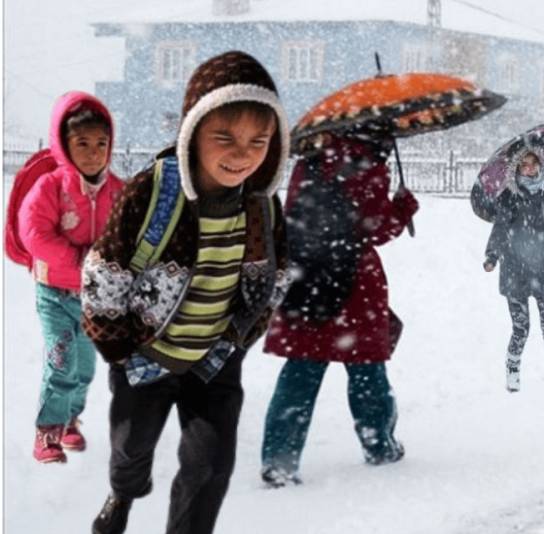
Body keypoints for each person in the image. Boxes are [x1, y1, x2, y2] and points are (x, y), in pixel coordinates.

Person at [81, 51, 291, 534]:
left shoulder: (262, 208)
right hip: (145, 356)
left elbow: (271, 280)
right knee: (131, 451)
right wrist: (120, 350)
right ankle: (122, 495)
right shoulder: (151, 194)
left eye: (259, 141)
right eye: (225, 138)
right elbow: (104, 275)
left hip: (214, 362)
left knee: (211, 467)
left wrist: (237, 340)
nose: (242, 154)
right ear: (192, 132)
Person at [260, 133, 418, 487]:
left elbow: (295, 214)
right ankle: (380, 445)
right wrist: (403, 208)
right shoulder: (369, 165)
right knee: (367, 372)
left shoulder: (310, 160)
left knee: (300, 372)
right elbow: (374, 228)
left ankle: (279, 460)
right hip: (353, 283)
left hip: (310, 276)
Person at [17, 92, 124, 463]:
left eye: (101, 143)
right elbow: (33, 233)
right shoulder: (50, 187)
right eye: (82, 144)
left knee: (85, 366)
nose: (93, 152)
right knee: (61, 363)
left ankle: (70, 420)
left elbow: (129, 233)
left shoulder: (118, 191)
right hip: (55, 294)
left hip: (96, 299)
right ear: (64, 144)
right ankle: (47, 432)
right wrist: (81, 258)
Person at [484, 150, 544, 392]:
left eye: (533, 164)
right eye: (523, 165)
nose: (529, 169)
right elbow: (500, 228)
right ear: (516, 168)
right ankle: (513, 369)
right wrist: (492, 256)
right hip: (515, 269)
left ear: (540, 165)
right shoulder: (509, 196)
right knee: (521, 327)